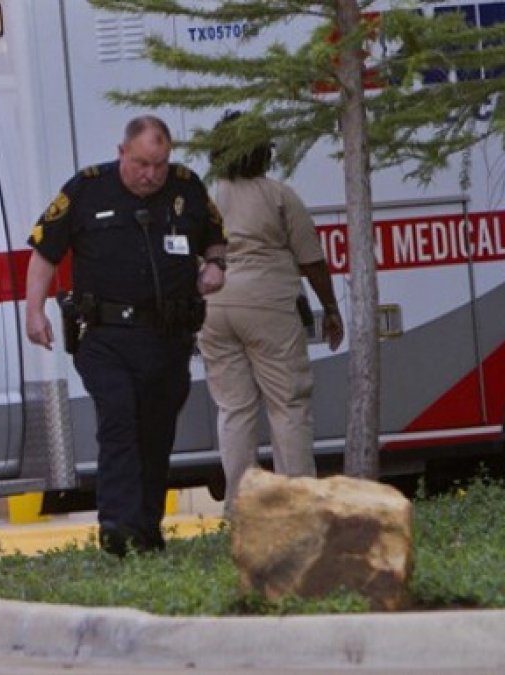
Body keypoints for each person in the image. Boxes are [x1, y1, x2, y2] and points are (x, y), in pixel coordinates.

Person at [24, 115, 228, 556]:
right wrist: (33, 311)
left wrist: (215, 265)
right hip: (106, 336)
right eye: (141, 163)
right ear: (122, 153)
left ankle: (145, 528)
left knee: (155, 433)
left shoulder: (186, 187)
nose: (151, 174)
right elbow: (44, 252)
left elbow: (215, 237)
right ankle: (116, 526)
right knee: (118, 417)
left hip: (167, 337)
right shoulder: (86, 188)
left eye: (159, 164)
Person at [198, 112, 344, 516]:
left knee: (234, 408)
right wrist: (330, 307)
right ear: (263, 149)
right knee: (288, 404)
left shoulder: (206, 197)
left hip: (214, 308)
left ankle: (242, 508)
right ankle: (298, 507)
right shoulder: (278, 195)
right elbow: (311, 260)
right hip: (267, 306)